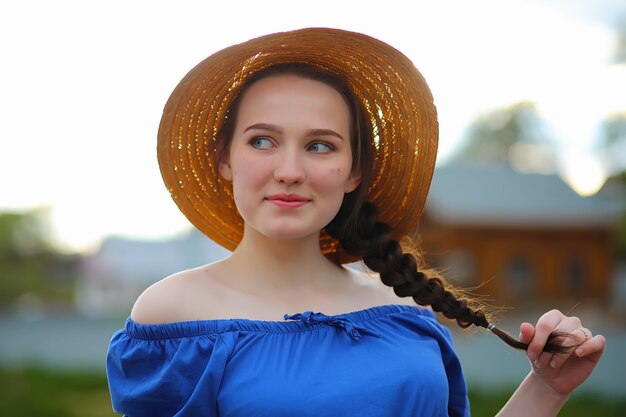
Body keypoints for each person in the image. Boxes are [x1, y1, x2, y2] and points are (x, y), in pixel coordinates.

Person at [106, 28, 605, 417]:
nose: (289, 170)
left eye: (320, 145)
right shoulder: (173, 314)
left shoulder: (402, 311)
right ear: (225, 161)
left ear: (353, 172)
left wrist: (546, 388)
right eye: (262, 141)